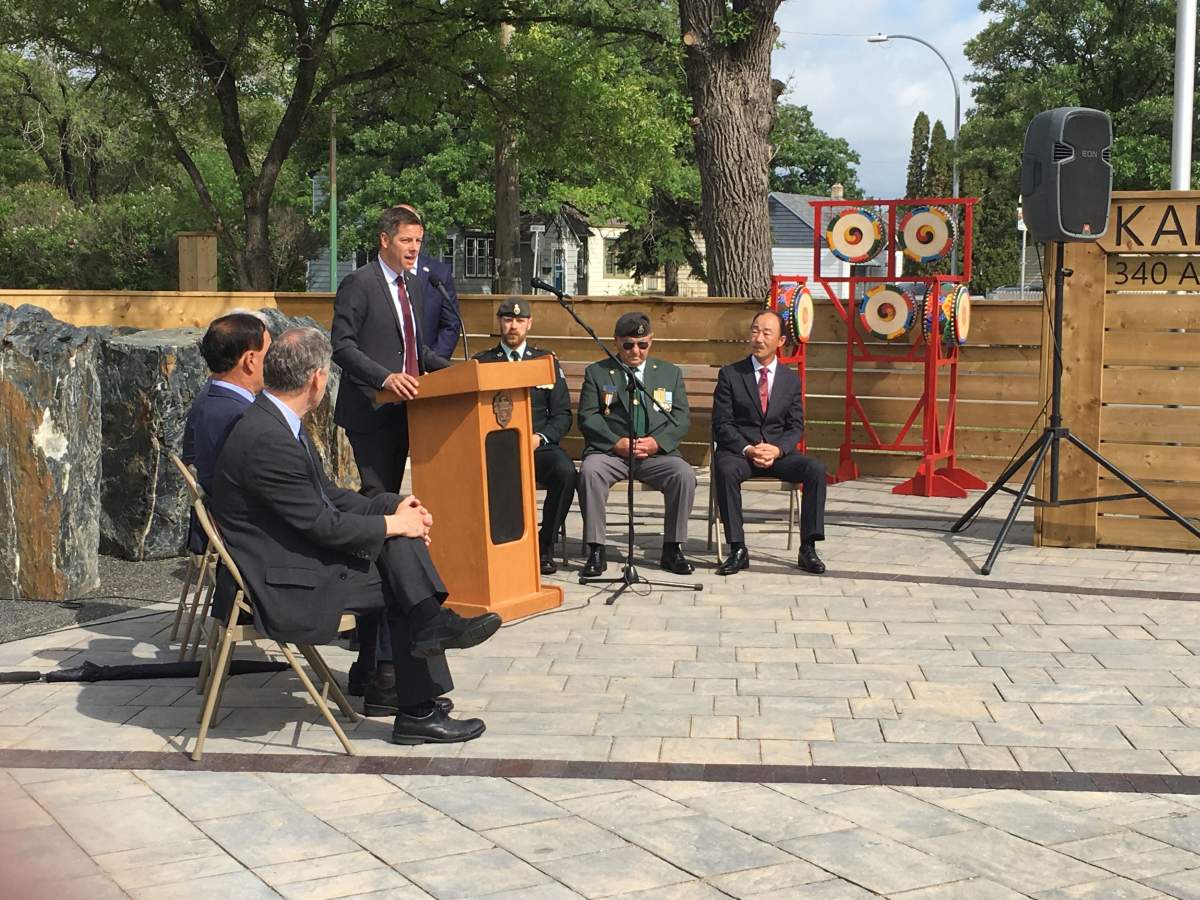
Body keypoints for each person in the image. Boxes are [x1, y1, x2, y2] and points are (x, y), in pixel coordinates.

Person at [210, 327, 501, 745]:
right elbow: (323, 525)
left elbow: (326, 495)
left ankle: (418, 662)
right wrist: (395, 525)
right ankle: (418, 696)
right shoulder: (268, 439)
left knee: (400, 550)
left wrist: (393, 507)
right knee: (400, 580)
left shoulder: (274, 420)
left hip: (286, 555)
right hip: (278, 582)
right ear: (317, 379)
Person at [331, 206, 452, 496]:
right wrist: (386, 378)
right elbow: (342, 347)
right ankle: (362, 542)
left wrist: (457, 371)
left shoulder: (413, 283)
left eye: (418, 241)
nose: (414, 249)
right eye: (406, 241)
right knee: (378, 494)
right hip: (371, 408)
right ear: (385, 240)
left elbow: (415, 347)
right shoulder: (359, 283)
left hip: (408, 410)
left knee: (390, 494)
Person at [577, 312, 696, 577]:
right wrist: (615, 442)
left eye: (643, 344)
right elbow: (587, 416)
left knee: (684, 474)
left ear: (651, 341)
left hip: (655, 454)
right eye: (628, 344)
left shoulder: (669, 373)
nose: (635, 351)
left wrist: (658, 443)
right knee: (590, 472)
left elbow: (680, 417)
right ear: (616, 341)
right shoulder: (598, 372)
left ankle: (673, 548)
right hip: (612, 453)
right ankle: (597, 548)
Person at [711, 309, 827, 576]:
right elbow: (722, 424)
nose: (759, 338)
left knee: (815, 469)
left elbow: (795, 425)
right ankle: (737, 548)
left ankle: (807, 547)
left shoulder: (790, 379)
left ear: (781, 341)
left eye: (766, 333)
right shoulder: (731, 375)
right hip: (741, 453)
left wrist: (778, 449)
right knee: (724, 468)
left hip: (778, 454)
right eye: (755, 331)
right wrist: (749, 448)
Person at [473, 297, 577, 575]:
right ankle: (503, 548)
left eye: (520, 320)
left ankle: (545, 546)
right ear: (499, 323)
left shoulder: (546, 362)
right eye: (508, 320)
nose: (513, 326)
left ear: (529, 324)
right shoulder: (482, 363)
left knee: (566, 472)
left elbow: (563, 415)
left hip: (537, 445)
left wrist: (540, 438)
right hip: (497, 448)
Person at [181, 312, 271, 555]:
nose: (272, 362)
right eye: (268, 354)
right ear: (250, 360)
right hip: (242, 533)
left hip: (217, 523)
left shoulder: (211, 396)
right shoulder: (237, 414)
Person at [397, 203, 463, 358]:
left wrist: (432, 365)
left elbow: (450, 325)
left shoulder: (439, 274)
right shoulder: (370, 278)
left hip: (428, 371)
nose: (413, 246)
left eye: (417, 239)